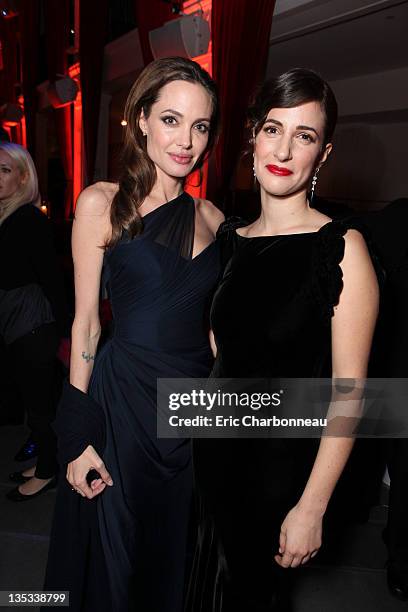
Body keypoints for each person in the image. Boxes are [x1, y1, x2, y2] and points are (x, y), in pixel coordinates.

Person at [187, 68, 379, 612]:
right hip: (212, 457)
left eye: (305, 135)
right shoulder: (230, 239)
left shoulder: (340, 249)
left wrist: (313, 506)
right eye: (274, 129)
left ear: (323, 154)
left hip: (279, 476)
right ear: (252, 134)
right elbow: (220, 356)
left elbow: (351, 393)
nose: (285, 149)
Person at [44, 57, 223, 612]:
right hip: (122, 408)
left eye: (200, 126)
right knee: (116, 561)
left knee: (172, 559)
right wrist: (76, 434)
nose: (186, 141)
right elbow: (87, 324)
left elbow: (217, 335)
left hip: (190, 414)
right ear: (142, 119)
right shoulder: (103, 204)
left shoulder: (217, 220)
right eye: (171, 120)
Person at [0, 142, 68, 500]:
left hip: (34, 325)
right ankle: (46, 459)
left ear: (23, 176)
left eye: (5, 170)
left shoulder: (27, 219)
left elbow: (52, 278)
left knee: (40, 406)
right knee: (36, 403)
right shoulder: (9, 217)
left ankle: (46, 473)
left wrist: (66, 329)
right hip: (21, 324)